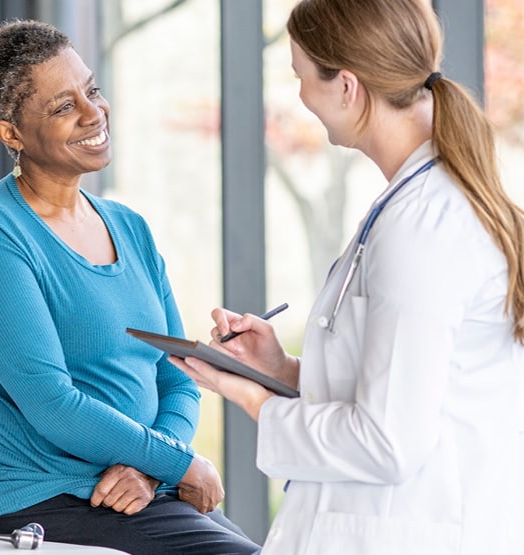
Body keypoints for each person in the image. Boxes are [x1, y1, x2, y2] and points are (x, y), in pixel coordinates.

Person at [170, 1, 524, 554]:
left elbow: (388, 442)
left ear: (347, 87)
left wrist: (254, 401)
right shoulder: (409, 205)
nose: (302, 97)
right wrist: (279, 370)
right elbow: (403, 384)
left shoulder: (423, 229)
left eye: (302, 78)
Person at [0, 19, 259, 555]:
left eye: (93, 90)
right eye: (63, 106)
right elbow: (52, 404)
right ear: (10, 133)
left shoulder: (128, 226)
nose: (93, 112)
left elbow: (176, 377)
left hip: (127, 484)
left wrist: (152, 467)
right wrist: (179, 463)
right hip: (29, 491)